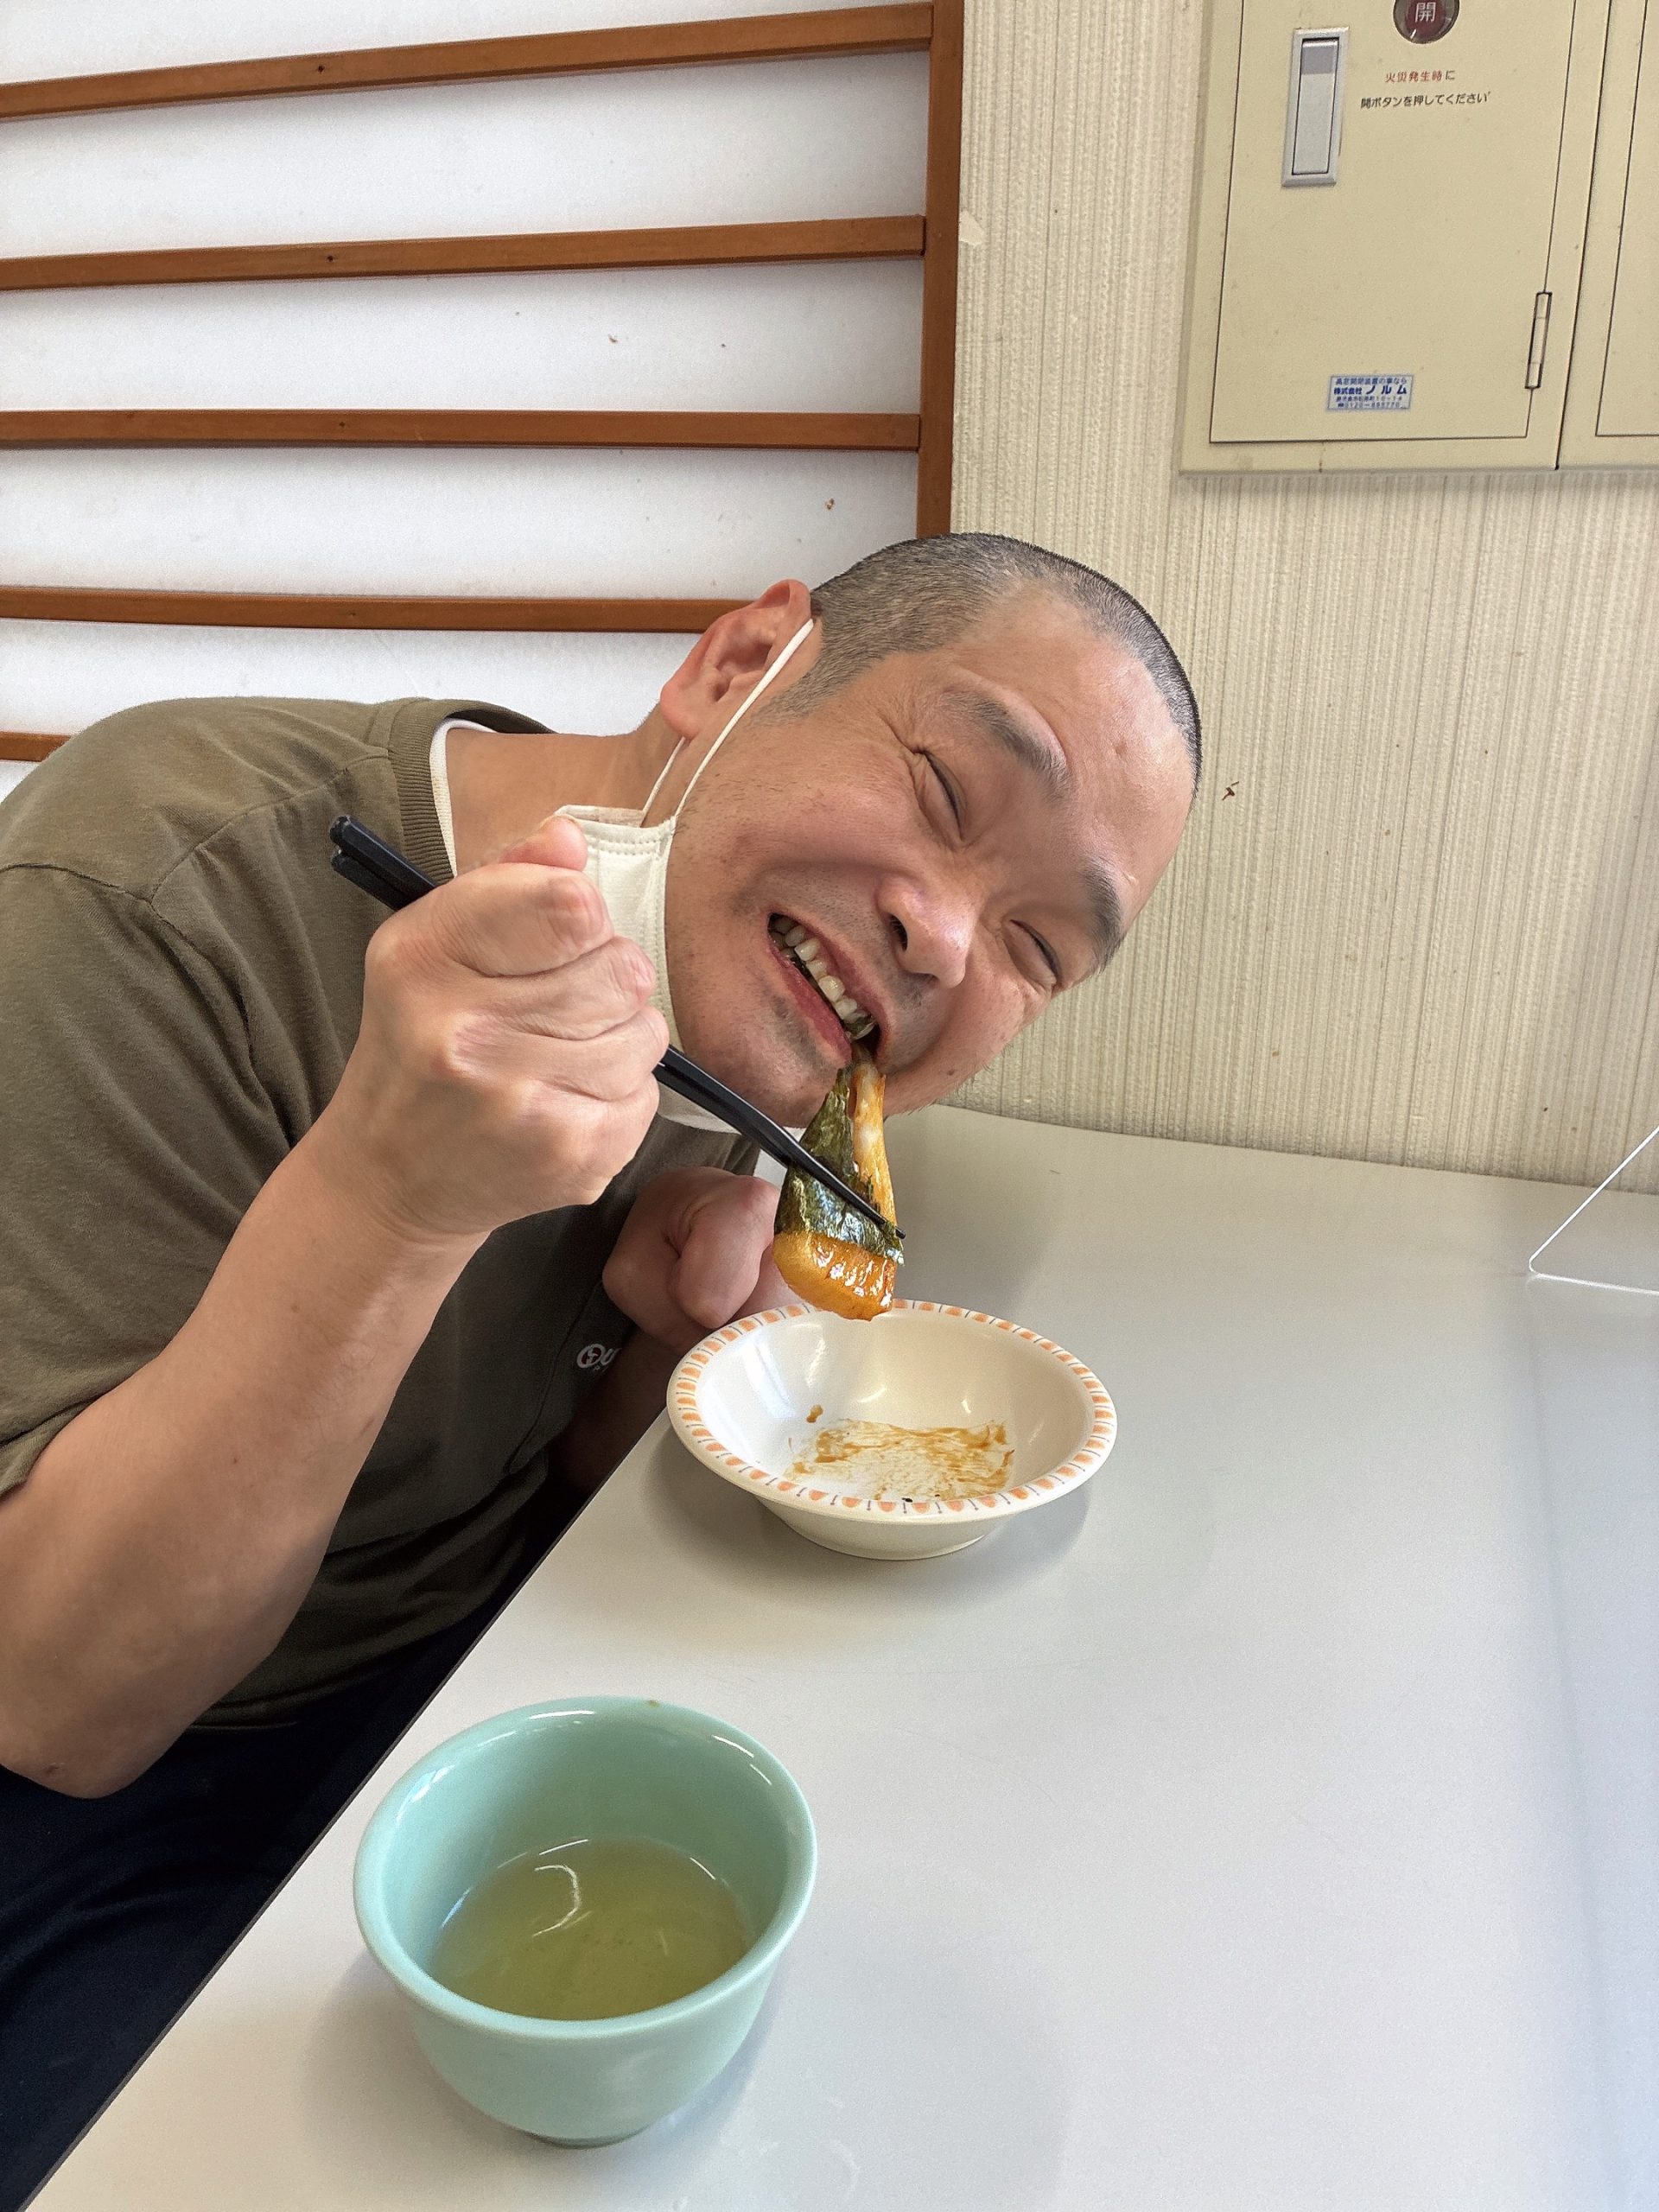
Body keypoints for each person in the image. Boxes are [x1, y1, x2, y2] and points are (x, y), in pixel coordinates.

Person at [0, 531, 1198, 2201]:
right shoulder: (153, 883)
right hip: (144, 1787)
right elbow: (62, 1703)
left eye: (1039, 950)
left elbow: (506, 1486)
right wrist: (385, 1197)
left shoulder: (753, 1008)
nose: (944, 942)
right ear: (738, 667)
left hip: (487, 1688)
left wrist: (652, 1356)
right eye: (944, 787)